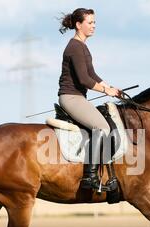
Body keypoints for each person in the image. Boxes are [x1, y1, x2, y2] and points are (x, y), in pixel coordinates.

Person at [58, 8, 122, 191]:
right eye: (90, 23)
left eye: (94, 23)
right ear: (79, 25)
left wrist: (111, 88)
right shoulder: (74, 47)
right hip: (71, 97)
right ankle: (90, 177)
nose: (94, 26)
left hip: (78, 97)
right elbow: (84, 80)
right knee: (102, 127)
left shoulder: (82, 46)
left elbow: (92, 74)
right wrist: (105, 90)